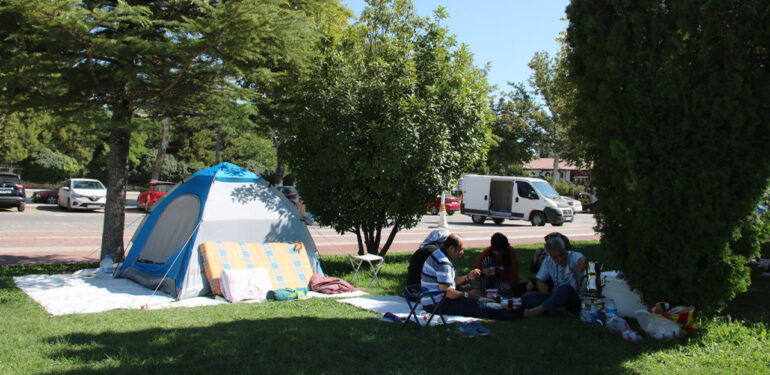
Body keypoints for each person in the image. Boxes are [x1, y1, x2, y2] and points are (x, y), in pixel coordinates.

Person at [420, 233, 523, 320]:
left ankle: (510, 305)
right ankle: (517, 313)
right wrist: (467, 295)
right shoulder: (443, 263)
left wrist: (467, 277)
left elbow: (450, 281)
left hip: (433, 300)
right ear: (451, 248)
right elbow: (446, 292)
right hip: (435, 304)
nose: (462, 252)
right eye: (460, 249)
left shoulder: (439, 254)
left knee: (479, 301)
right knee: (478, 306)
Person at [521, 232, 586, 318]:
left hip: (574, 297)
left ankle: (538, 310)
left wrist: (579, 267)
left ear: (565, 249)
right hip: (556, 296)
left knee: (565, 288)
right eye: (555, 257)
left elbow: (581, 259)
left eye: (562, 255)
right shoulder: (548, 261)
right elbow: (539, 279)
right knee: (526, 297)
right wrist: (539, 284)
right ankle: (559, 308)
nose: (560, 259)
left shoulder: (574, 256)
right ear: (550, 256)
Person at [471, 232, 527, 297]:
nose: (497, 253)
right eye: (495, 250)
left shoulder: (511, 253)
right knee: (487, 260)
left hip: (500, 281)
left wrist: (513, 287)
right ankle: (484, 291)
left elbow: (514, 273)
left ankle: (491, 293)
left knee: (507, 288)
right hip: (487, 280)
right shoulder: (487, 252)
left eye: (499, 251)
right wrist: (483, 270)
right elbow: (475, 268)